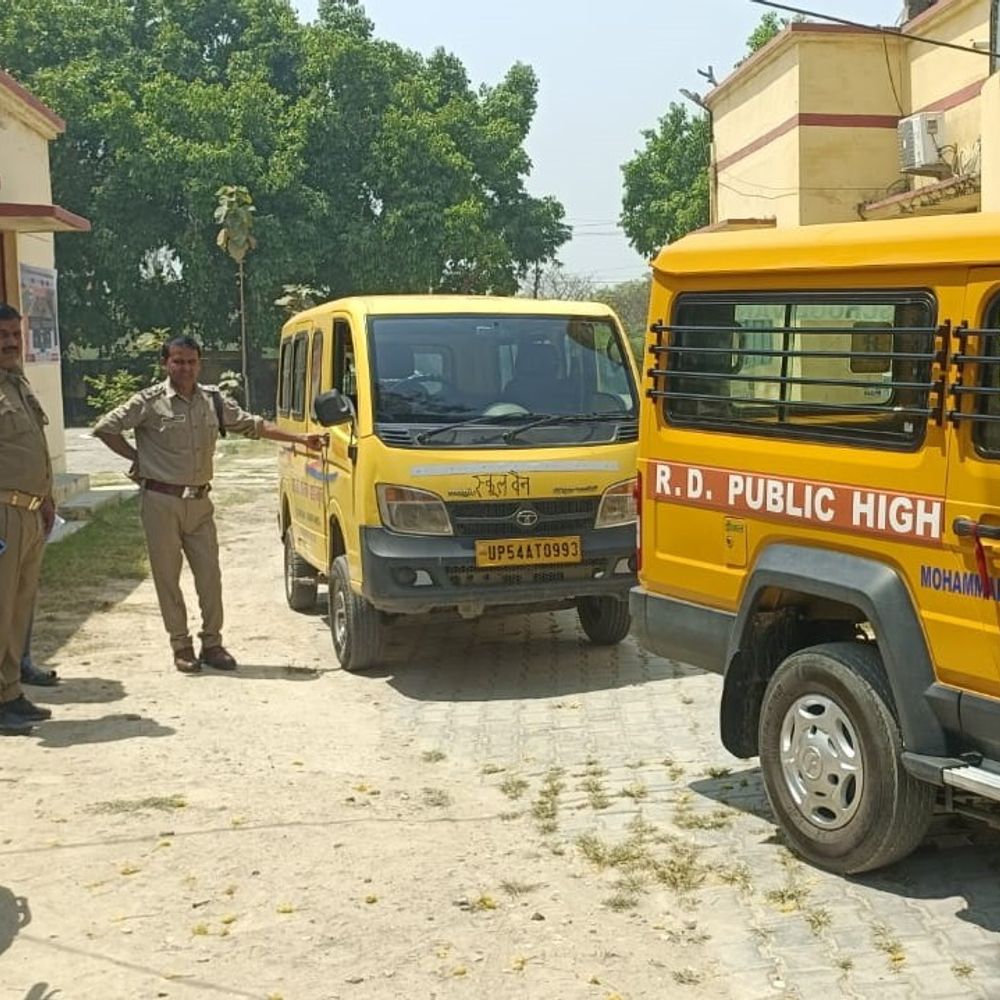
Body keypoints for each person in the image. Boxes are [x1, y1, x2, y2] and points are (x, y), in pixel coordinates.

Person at [94, 335, 326, 674]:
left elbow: (254, 425)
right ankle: (181, 644)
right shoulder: (149, 401)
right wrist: (138, 459)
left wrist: (301, 438)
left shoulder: (213, 402)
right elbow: (106, 427)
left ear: (199, 363)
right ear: (165, 364)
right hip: (161, 501)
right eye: (177, 361)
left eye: (190, 361)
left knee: (210, 576)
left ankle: (212, 643)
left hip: (200, 503)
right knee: (167, 578)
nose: (184, 368)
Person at [0, 302, 56, 734]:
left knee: (18, 609)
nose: (10, 342)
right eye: (2, 336)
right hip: (2, 514)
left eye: (15, 335)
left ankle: (10, 692)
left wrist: (48, 499)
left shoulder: (17, 385)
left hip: (30, 512)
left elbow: (34, 447)